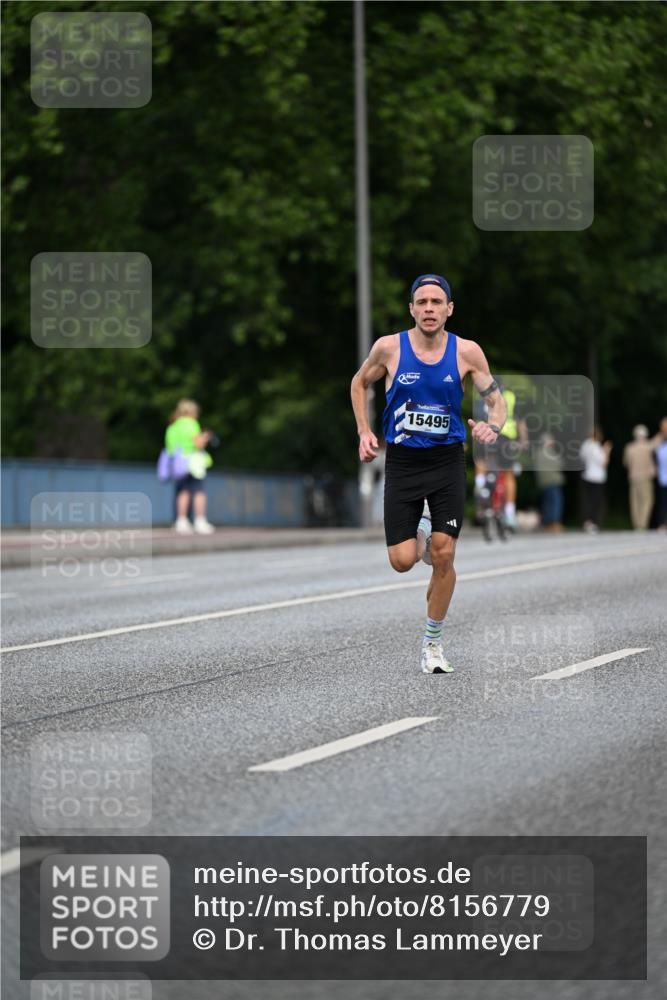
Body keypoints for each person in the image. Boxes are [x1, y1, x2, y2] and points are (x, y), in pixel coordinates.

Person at [350, 273, 507, 674]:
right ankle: (420, 527)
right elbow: (359, 382)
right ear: (412, 309)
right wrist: (365, 431)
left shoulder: (467, 352)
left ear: (449, 309)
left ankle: (433, 643)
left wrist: (494, 425)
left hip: (446, 462)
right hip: (402, 462)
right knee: (402, 560)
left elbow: (495, 399)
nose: (429, 309)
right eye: (422, 302)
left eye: (437, 302)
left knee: (444, 553)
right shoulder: (389, 348)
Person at [165, 399, 215, 534]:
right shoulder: (191, 424)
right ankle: (200, 521)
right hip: (193, 461)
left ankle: (181, 521)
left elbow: (169, 448)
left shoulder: (172, 427)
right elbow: (198, 444)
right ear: (191, 412)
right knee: (198, 491)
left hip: (178, 462)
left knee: (183, 491)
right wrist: (205, 438)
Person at [622, 424, 657, 530]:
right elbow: (657, 441)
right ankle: (642, 523)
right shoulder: (647, 446)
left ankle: (637, 524)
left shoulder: (629, 448)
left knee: (635, 502)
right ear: (645, 435)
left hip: (633, 477)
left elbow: (625, 463)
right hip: (645, 477)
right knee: (647, 500)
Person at [579, 426, 612, 532]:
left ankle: (587, 521)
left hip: (586, 475)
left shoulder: (585, 445)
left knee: (588, 500)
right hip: (596, 477)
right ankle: (592, 522)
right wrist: (607, 450)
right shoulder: (596, 446)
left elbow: (582, 458)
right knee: (596, 501)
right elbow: (604, 463)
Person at [535, 432, 565, 531]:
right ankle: (554, 523)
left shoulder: (538, 453)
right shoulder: (550, 452)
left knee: (547, 503)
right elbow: (560, 464)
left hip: (543, 482)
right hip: (553, 480)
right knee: (556, 502)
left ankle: (547, 523)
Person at [655, 417, 667, 530]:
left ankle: (663, 523)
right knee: (663, 503)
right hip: (663, 479)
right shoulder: (660, 446)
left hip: (663, 478)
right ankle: (662, 523)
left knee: (663, 503)